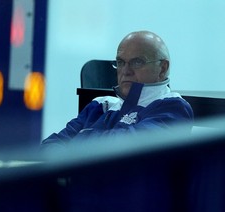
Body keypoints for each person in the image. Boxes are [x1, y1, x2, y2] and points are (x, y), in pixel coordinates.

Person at [41, 30, 194, 151]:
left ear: (162, 68)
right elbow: (50, 146)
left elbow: (122, 152)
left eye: (137, 62)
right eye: (120, 62)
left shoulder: (174, 108)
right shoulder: (100, 105)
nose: (125, 71)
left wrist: (78, 141)